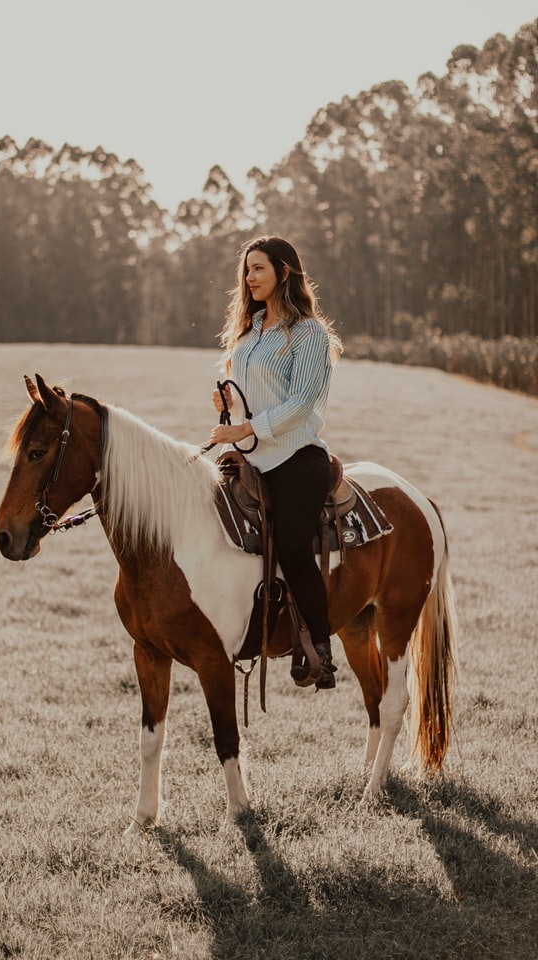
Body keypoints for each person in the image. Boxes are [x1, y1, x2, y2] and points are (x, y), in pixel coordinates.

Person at [210, 235, 342, 689]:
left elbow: (302, 404)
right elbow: (246, 394)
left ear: (284, 272)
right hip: (252, 459)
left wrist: (246, 428)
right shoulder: (249, 332)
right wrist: (227, 401)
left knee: (291, 545)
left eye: (259, 269)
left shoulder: (308, 334)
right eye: (247, 270)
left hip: (296, 459)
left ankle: (321, 652)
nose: (250, 278)